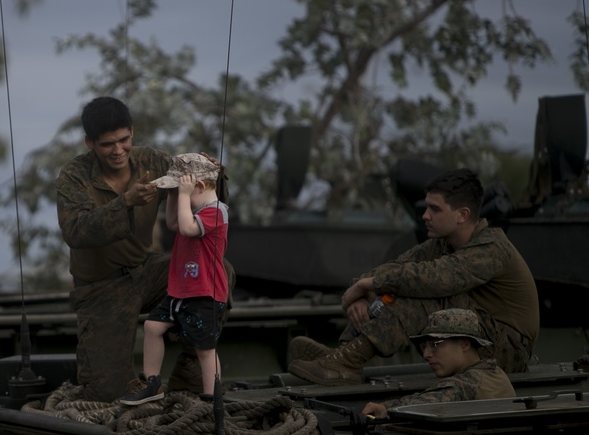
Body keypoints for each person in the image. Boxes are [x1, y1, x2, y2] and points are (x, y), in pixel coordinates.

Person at [289, 167, 539, 385]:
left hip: (508, 351)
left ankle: (348, 360)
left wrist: (371, 284)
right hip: (473, 337)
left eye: (434, 209)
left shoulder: (493, 246)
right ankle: (345, 354)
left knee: (424, 292)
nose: (425, 216)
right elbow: (396, 266)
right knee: (401, 284)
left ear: (462, 214)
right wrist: (362, 290)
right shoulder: (441, 244)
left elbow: (439, 278)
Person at [120, 153, 229, 405]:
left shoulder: (216, 212)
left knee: (204, 349)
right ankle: (152, 384)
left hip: (204, 293)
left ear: (199, 187)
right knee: (152, 327)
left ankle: (213, 399)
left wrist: (182, 194)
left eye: (185, 191)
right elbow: (172, 223)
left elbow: (188, 227)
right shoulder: (191, 208)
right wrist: (173, 192)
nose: (181, 197)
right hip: (180, 290)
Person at [361, 308, 516, 419]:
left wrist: (385, 409)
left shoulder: (469, 382)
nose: (426, 354)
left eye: (435, 344)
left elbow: (429, 402)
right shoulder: (493, 373)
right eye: (425, 346)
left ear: (464, 344)